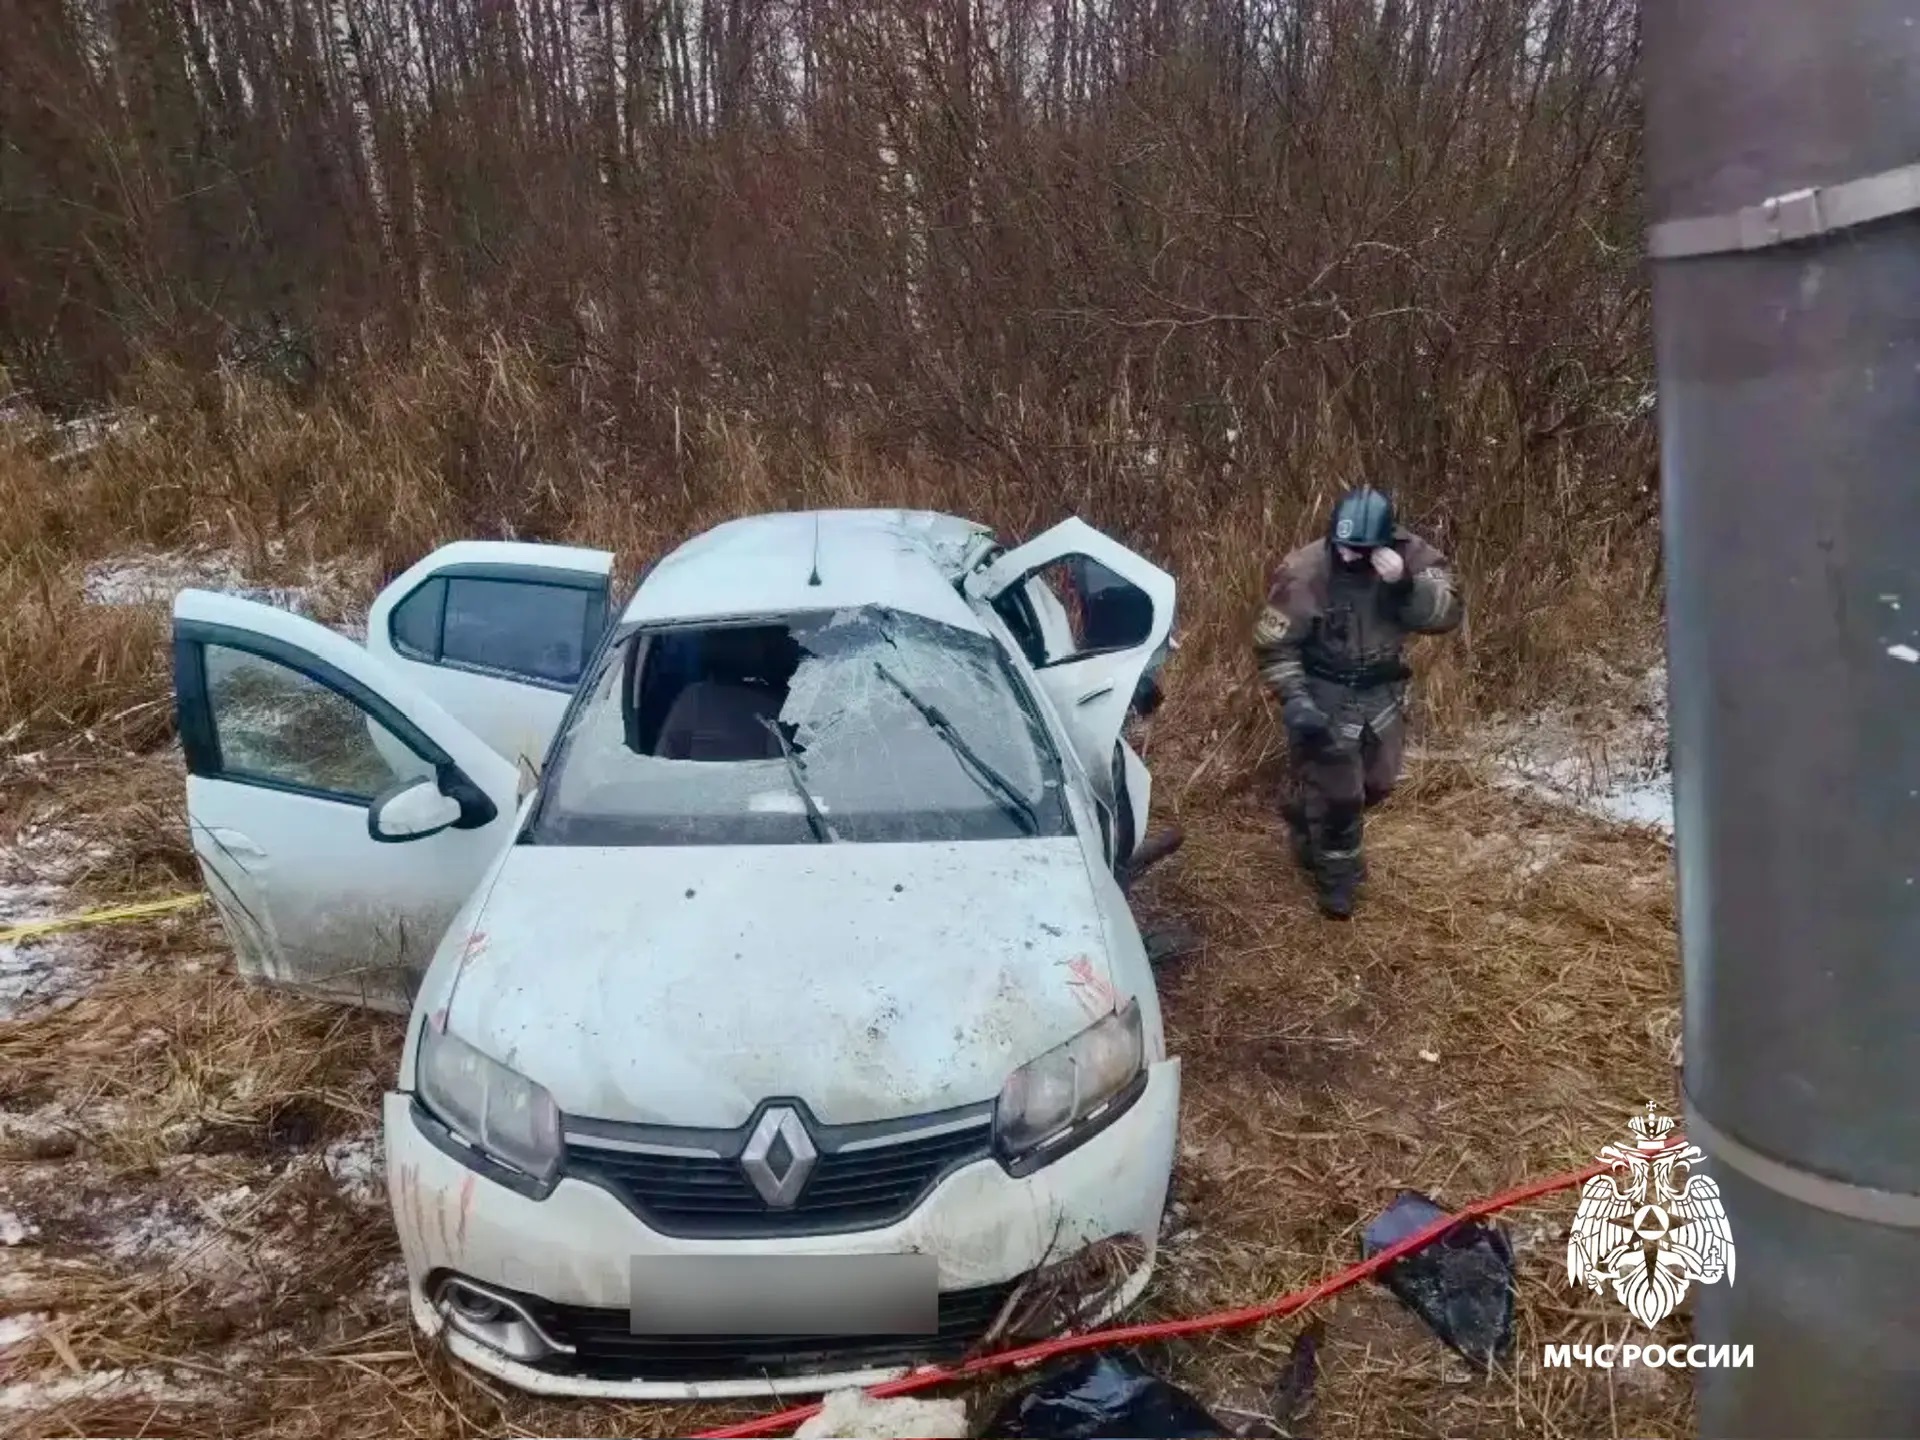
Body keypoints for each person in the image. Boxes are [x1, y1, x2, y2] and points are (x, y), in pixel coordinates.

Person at [1251, 487, 1463, 918]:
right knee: (1340, 795)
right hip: (1323, 688)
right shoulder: (1304, 571)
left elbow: (1448, 613)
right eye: (1343, 548)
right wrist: (1294, 697)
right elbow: (1273, 646)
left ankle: (1304, 812)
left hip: (1382, 692)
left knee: (1377, 784)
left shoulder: (1414, 557)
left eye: (1361, 551)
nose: (1349, 558)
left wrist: (1405, 587)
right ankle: (1337, 880)